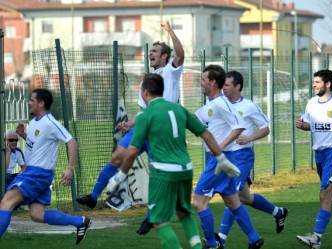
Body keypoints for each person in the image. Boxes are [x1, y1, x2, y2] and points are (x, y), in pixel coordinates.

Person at [106, 73, 240, 249]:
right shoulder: (179, 109)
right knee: (183, 213)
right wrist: (221, 158)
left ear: (145, 92)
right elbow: (205, 133)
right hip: (186, 169)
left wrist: (119, 176)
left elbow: (131, 151)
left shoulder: (145, 115)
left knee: (158, 221)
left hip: (163, 172)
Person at [76, 20, 184, 234]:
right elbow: (145, 110)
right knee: (116, 158)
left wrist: (170, 31)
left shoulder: (171, 71)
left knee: (157, 174)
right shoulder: (148, 80)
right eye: (150, 50)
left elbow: (180, 54)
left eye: (155, 51)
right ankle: (93, 197)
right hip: (141, 129)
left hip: (159, 132)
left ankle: (150, 217)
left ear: (164, 56)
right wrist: (130, 123)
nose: (151, 53)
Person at [0, 89, 91, 245]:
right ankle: (80, 221)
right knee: (37, 214)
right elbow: (36, 146)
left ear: (41, 104)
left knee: (6, 203)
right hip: (36, 173)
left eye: (32, 100)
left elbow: (72, 142)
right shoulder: (35, 122)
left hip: (36, 174)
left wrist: (70, 169)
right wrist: (23, 135)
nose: (29, 102)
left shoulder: (50, 122)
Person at [193, 65, 264, 249]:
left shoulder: (220, 103)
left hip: (220, 159)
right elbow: (193, 120)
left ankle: (211, 243)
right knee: (233, 201)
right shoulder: (211, 104)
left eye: (203, 79)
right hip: (221, 159)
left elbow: (239, 126)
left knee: (199, 201)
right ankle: (254, 239)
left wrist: (220, 146)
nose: (200, 83)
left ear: (212, 82)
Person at [216, 70, 288, 246]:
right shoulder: (220, 104)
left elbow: (265, 128)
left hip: (242, 156)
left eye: (226, 85)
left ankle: (221, 239)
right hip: (226, 157)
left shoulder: (249, 106)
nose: (222, 88)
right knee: (245, 198)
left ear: (237, 86)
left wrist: (249, 138)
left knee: (231, 194)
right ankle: (278, 212)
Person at [295, 69, 332, 249]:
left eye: (317, 82)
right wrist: (303, 125)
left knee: (324, 193)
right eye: (314, 82)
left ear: (328, 84)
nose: (314, 85)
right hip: (320, 156)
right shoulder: (311, 103)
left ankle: (316, 238)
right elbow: (311, 125)